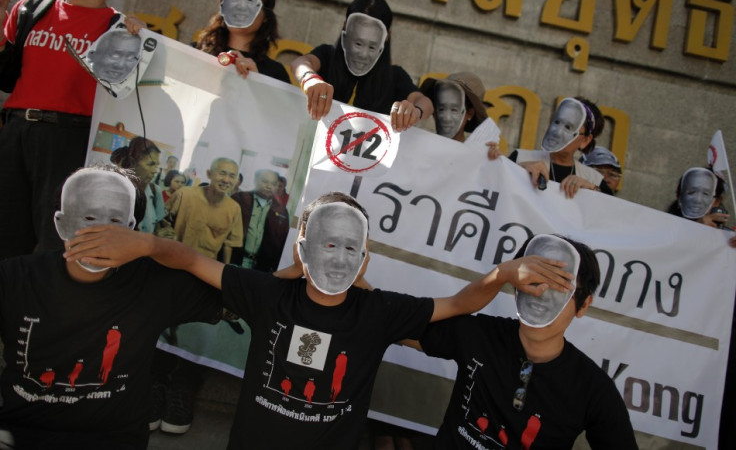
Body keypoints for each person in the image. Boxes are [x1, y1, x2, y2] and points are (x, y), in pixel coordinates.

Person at [63, 191, 575, 450]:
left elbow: (459, 304)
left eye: (350, 247)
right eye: (326, 244)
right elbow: (194, 261)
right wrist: (145, 243)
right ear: (304, 247)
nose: (338, 257)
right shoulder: (269, 296)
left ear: (365, 256)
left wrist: (504, 274)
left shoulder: (380, 313)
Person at [0, 164, 221, 450]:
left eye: (116, 221)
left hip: (113, 439)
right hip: (20, 434)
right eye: (89, 217)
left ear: (132, 230)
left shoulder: (153, 283)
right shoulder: (14, 278)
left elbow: (241, 291)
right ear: (62, 222)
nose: (100, 233)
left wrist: (155, 247)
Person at [412, 234, 638, 449]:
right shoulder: (480, 335)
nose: (541, 296)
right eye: (534, 281)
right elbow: (392, 322)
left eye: (559, 287)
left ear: (584, 304)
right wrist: (500, 274)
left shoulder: (592, 390)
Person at [0, 0, 144, 259]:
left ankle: (37, 305)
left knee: (55, 245)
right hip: (14, 132)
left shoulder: (120, 30)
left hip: (68, 141)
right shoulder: (30, 9)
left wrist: (140, 43)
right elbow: (5, 78)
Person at [151, 156, 244, 434]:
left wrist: (224, 285)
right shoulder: (185, 195)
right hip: (170, 270)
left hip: (206, 277)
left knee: (195, 333)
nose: (226, 179)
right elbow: (163, 222)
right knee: (161, 328)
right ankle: (154, 388)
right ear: (209, 173)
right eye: (222, 173)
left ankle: (182, 390)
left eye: (232, 175)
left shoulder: (234, 208)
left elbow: (229, 247)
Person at [291, 0, 433, 131]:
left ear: (387, 37)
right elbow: (301, 63)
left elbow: (424, 102)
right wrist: (310, 79)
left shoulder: (395, 76)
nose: (363, 54)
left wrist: (414, 111)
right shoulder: (327, 55)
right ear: (346, 27)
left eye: (372, 46)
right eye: (358, 43)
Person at [195, 0, 290, 84]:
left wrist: (256, 82)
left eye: (250, 0)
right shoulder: (196, 52)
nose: (240, 6)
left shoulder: (275, 73)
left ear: (266, 16)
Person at [506, 97, 611, 198]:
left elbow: (613, 211)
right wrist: (517, 169)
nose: (558, 132)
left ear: (585, 140)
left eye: (568, 127)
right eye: (557, 122)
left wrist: (592, 189)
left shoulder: (594, 180)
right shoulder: (520, 157)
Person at [231, 169, 289, 272]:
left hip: (260, 267)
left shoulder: (281, 211)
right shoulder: (239, 199)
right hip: (234, 259)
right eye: (265, 181)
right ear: (255, 180)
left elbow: (281, 242)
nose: (269, 186)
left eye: (274, 184)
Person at [110, 136, 166, 234]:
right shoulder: (114, 189)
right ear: (133, 163)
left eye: (157, 165)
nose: (155, 171)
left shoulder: (155, 192)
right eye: (150, 164)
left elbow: (159, 225)